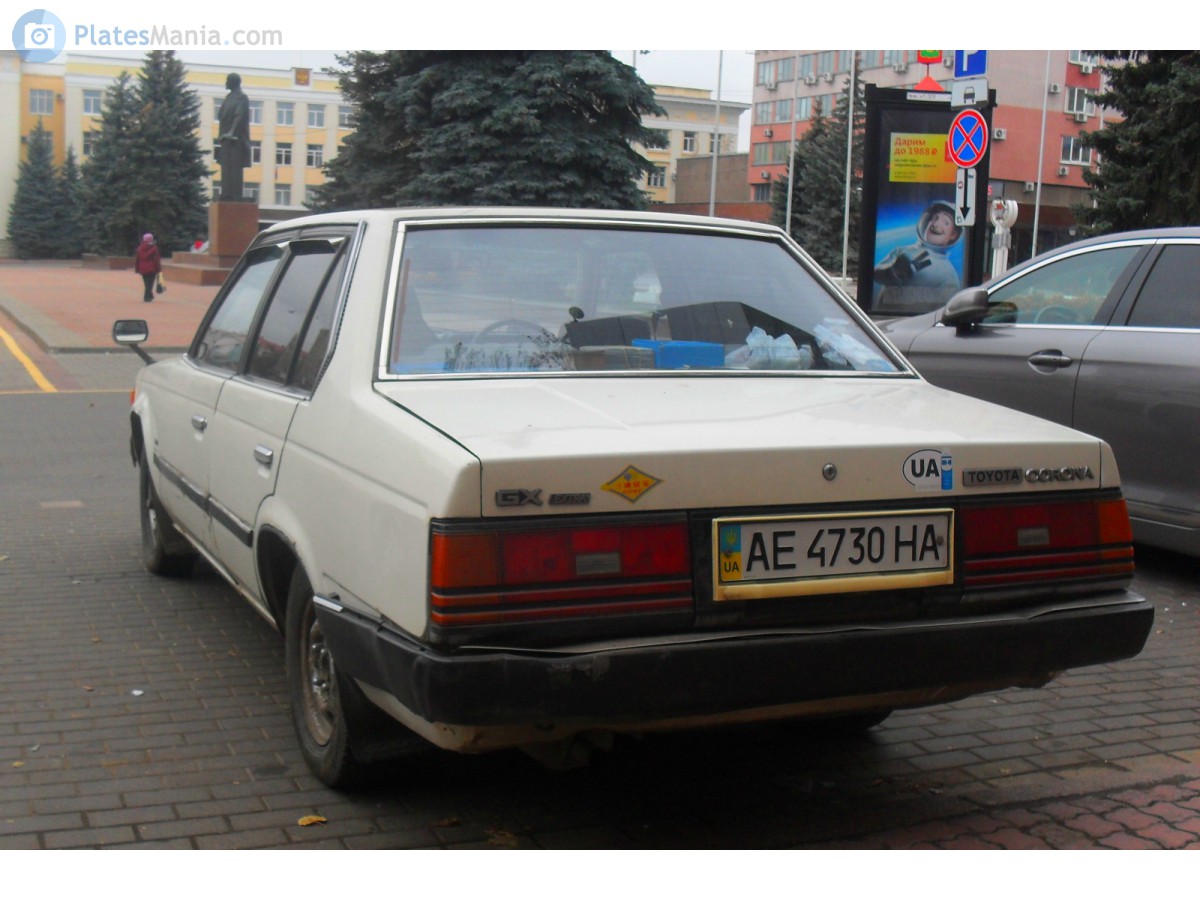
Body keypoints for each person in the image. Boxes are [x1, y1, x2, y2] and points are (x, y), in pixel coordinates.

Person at [872, 200, 965, 312]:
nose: (936, 224)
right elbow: (874, 275)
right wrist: (892, 272)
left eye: (946, 222)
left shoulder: (949, 275)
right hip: (884, 320)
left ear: (953, 235)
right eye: (935, 218)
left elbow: (946, 312)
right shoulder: (902, 250)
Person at [216, 73, 251, 202]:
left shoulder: (242, 98)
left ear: (233, 82)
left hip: (236, 140)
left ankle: (235, 195)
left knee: (235, 168)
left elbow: (239, 115)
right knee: (225, 168)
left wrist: (232, 132)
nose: (225, 83)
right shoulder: (228, 98)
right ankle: (226, 193)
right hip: (225, 139)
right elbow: (221, 116)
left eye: (227, 81)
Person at [134, 233, 161, 302]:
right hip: (152, 268)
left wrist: (137, 269)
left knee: (146, 283)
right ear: (151, 239)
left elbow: (137, 259)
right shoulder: (154, 248)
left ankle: (150, 295)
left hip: (142, 268)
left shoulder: (139, 248)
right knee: (150, 283)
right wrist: (158, 269)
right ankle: (146, 297)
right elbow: (156, 260)